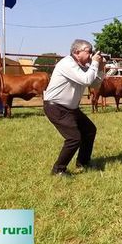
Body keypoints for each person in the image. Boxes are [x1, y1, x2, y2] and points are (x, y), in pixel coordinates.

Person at [43, 39, 104, 176]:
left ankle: (83, 162)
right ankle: (58, 170)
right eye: (89, 52)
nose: (91, 55)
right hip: (56, 107)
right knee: (74, 138)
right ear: (77, 52)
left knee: (89, 130)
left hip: (71, 109)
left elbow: (94, 84)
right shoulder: (67, 64)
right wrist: (94, 62)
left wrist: (100, 67)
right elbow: (86, 80)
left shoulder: (82, 66)